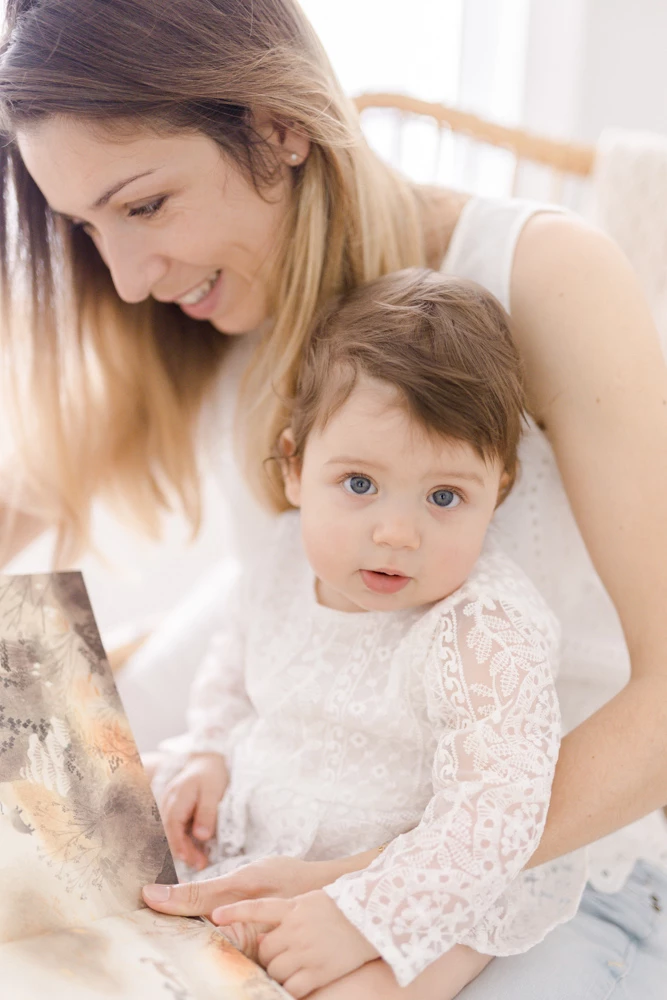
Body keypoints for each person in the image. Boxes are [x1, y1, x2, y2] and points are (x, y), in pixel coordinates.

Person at [0, 0, 665, 996]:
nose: (128, 278)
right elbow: (31, 497)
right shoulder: (200, 314)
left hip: (548, 881)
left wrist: (374, 892)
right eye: (85, 226)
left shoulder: (540, 274)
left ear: (279, 126)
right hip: (285, 853)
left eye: (142, 205)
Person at [152, 269, 585, 999]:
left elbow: (494, 818)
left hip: (419, 886)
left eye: (444, 496)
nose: (394, 533)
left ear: (498, 491)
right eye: (358, 484)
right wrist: (209, 752)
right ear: (294, 467)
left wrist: (365, 914)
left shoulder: (480, 628)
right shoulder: (283, 555)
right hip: (265, 835)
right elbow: (234, 664)